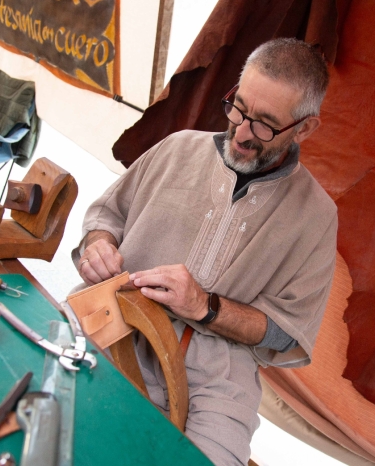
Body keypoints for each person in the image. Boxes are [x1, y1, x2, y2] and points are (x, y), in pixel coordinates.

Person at [73, 38, 337, 466]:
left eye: (266, 124)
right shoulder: (177, 149)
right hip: (115, 322)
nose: (243, 131)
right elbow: (105, 218)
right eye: (239, 106)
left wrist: (205, 306)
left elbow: (287, 330)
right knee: (48, 411)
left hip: (216, 377)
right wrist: (98, 246)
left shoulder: (317, 217)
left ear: (305, 128)